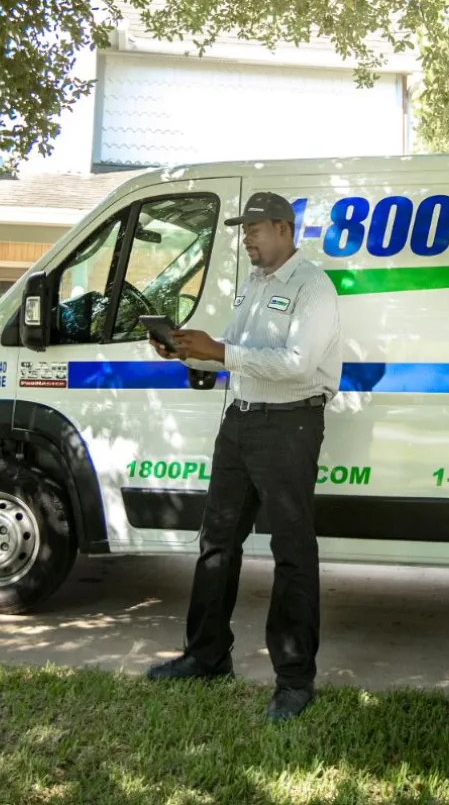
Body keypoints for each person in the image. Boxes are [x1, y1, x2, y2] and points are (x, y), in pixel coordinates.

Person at [143, 191, 342, 723]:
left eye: (254, 228)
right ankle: (207, 655)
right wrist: (191, 352)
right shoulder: (254, 285)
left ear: (282, 227)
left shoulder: (313, 287)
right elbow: (238, 356)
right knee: (217, 541)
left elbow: (298, 365)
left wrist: (221, 351)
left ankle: (295, 680)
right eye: (243, 229)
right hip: (241, 421)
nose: (246, 237)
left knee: (292, 550)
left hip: (290, 424)